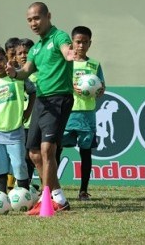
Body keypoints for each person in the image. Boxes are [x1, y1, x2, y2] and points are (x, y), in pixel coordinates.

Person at [6, 2, 76, 214]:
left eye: (37, 18)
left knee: (48, 149)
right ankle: (58, 198)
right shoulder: (35, 48)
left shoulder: (59, 37)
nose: (33, 23)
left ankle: (45, 200)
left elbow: (66, 50)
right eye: (29, 20)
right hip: (42, 101)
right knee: (34, 153)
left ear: (48, 16)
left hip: (59, 99)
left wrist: (69, 55)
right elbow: (25, 71)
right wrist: (13, 72)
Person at [0, 43, 36, 194]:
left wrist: (28, 112)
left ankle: (23, 195)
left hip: (16, 131)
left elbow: (33, 92)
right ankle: (1, 195)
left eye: (0, 59)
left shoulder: (18, 76)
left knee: (19, 165)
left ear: (7, 58)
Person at [56, 26, 106, 201]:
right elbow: (58, 83)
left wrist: (99, 91)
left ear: (90, 43)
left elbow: (102, 86)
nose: (81, 45)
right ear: (72, 43)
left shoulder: (94, 65)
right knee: (56, 150)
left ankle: (83, 190)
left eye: (85, 42)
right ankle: (53, 189)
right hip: (67, 112)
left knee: (86, 153)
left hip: (87, 115)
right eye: (78, 42)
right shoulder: (66, 63)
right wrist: (71, 87)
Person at [15, 38, 38, 189]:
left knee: (32, 156)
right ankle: (21, 186)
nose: (24, 56)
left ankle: (31, 186)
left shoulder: (40, 74)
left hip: (36, 122)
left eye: (27, 52)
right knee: (20, 157)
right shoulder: (13, 76)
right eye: (20, 53)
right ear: (15, 57)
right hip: (17, 122)